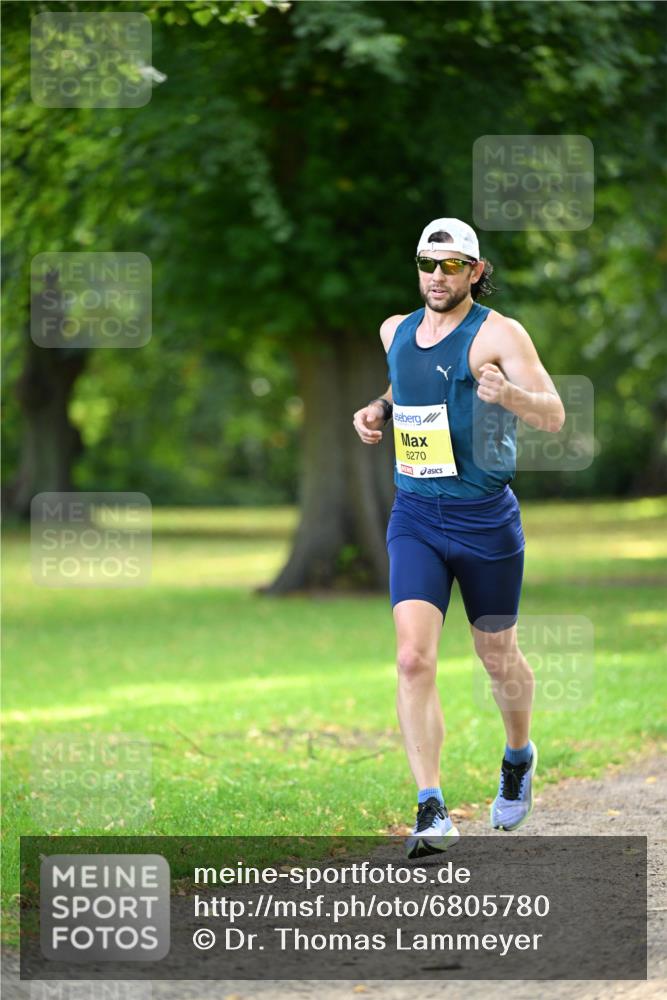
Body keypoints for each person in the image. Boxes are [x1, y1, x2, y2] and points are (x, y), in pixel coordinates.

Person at [352, 218, 565, 859]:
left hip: (485, 521)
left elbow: (553, 413)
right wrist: (378, 411)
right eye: (427, 262)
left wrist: (512, 394)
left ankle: (518, 756)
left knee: (496, 655)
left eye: (451, 265)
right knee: (413, 658)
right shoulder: (395, 330)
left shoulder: (499, 333)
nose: (437, 276)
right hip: (415, 515)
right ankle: (431, 807)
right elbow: (407, 386)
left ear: (475, 271)